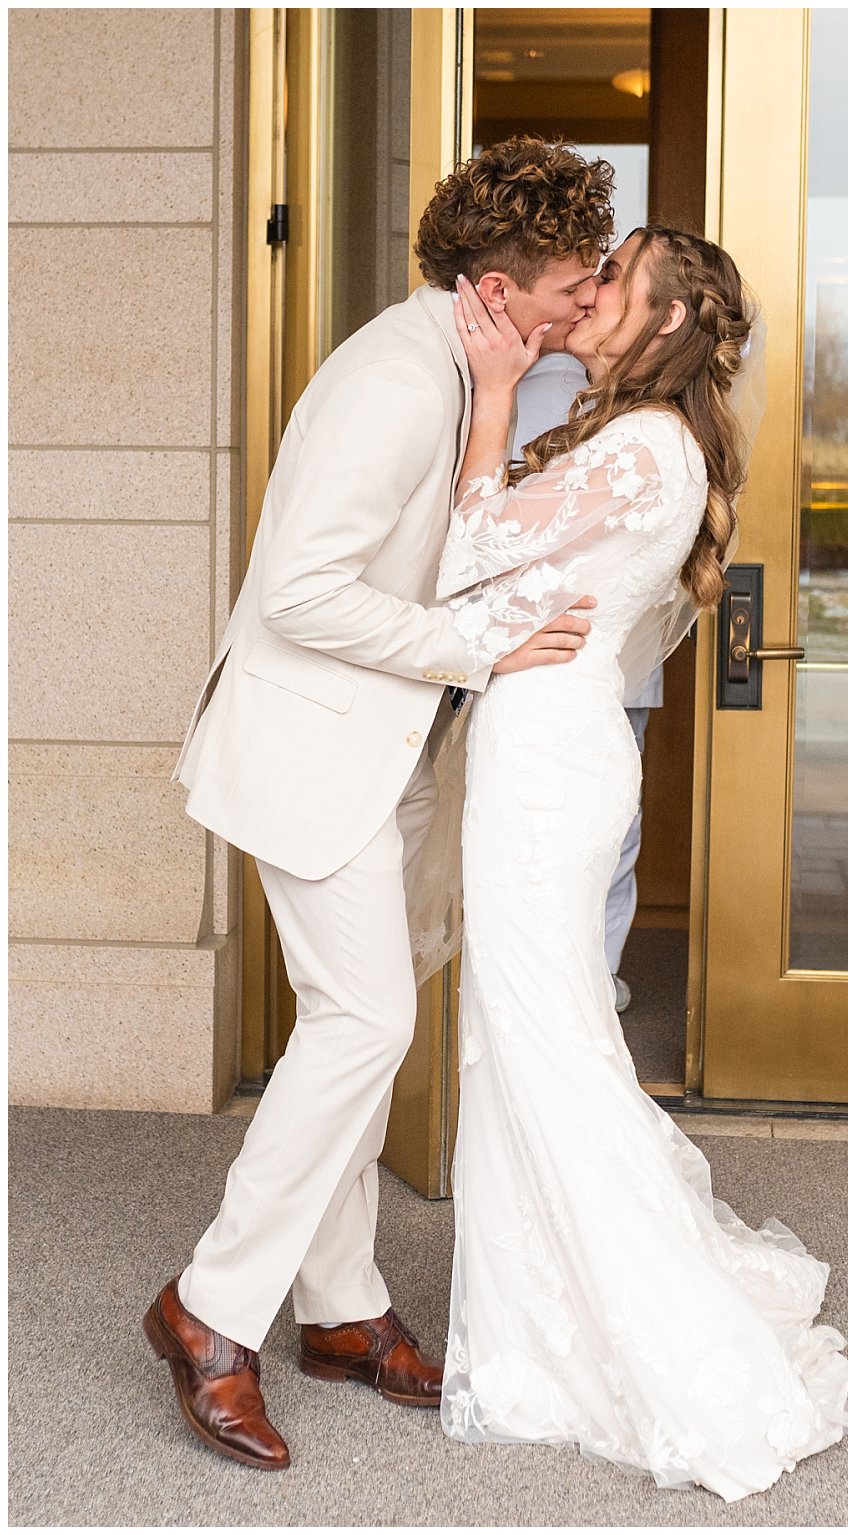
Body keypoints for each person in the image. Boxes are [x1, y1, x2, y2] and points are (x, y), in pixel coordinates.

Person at [149, 138, 614, 1473]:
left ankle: (342, 1304)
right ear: (496, 285)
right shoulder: (398, 384)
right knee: (367, 1020)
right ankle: (210, 1309)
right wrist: (477, 650)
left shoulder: (465, 368)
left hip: (380, 754)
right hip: (310, 755)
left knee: (361, 1023)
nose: (585, 306)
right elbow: (296, 590)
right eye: (574, 286)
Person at [433, 226, 848, 1498]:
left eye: (615, 277)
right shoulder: (647, 441)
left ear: (666, 323)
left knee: (536, 1029)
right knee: (532, 1026)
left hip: (549, 760)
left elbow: (459, 557)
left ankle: (606, 1328)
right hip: (554, 744)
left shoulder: (638, 448)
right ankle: (522, 1304)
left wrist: (495, 397)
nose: (594, 290)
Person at [511, 343, 655, 1012]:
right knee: (612, 828)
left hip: (534, 653)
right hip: (617, 659)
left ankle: (552, 983)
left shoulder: (511, 394)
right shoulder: (637, 406)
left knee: (542, 830)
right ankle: (598, 976)